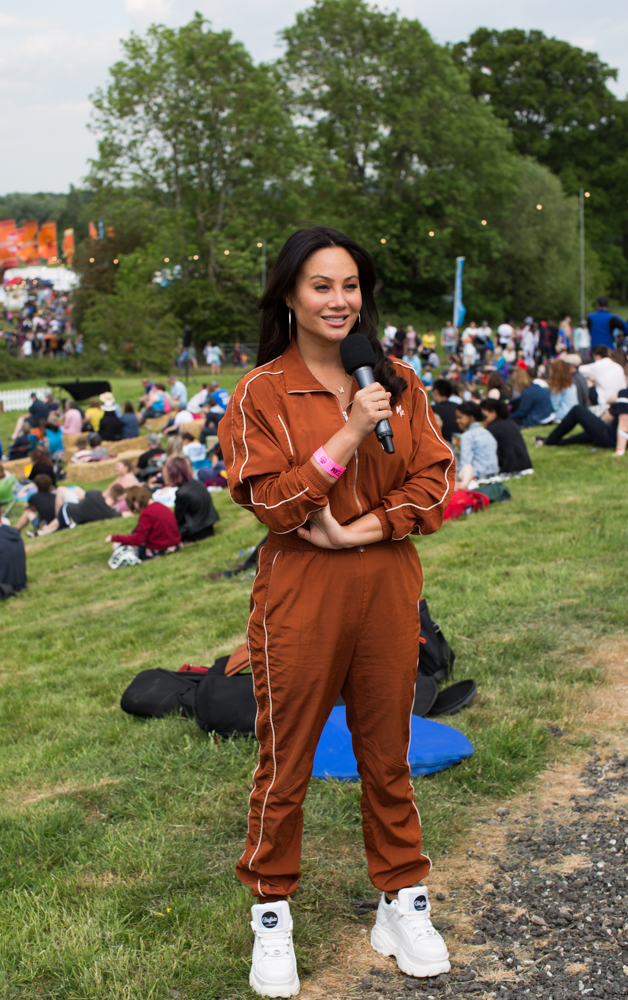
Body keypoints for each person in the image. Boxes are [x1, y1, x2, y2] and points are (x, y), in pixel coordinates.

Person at [218, 226, 454, 996]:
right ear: (288, 294)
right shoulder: (262, 392)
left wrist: (366, 526)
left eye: (350, 286)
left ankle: (401, 900)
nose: (339, 300)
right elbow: (276, 506)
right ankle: (272, 914)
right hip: (301, 592)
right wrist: (350, 432)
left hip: (386, 584)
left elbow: (435, 480)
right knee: (284, 763)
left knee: (388, 753)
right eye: (322, 285)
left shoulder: (397, 379)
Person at [535, 389, 628, 455]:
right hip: (613, 435)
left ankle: (550, 441)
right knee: (589, 433)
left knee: (577, 410)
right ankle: (554, 442)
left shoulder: (625, 394)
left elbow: (624, 426)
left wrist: (620, 450)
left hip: (611, 439)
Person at [106, 485, 182, 558]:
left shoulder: (147, 514)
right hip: (174, 544)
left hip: (160, 548)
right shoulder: (160, 506)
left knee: (120, 548)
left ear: (135, 502)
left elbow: (138, 540)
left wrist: (114, 538)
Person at [168, 457, 219, 541]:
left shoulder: (182, 492)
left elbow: (177, 518)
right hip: (209, 525)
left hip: (197, 531)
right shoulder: (197, 483)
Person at [480, 399, 532, 475]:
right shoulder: (509, 422)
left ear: (493, 412)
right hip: (525, 465)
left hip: (509, 469)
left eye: (483, 415)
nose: (481, 419)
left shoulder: (493, 429)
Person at [454, 401, 499, 488]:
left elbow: (465, 463)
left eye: (460, 417)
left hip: (476, 477)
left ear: (471, 417)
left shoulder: (466, 436)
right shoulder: (487, 432)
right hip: (494, 475)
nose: (457, 420)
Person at [430, 379, 458, 443]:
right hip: (457, 445)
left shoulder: (432, 410)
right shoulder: (458, 407)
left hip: (441, 445)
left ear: (436, 392)